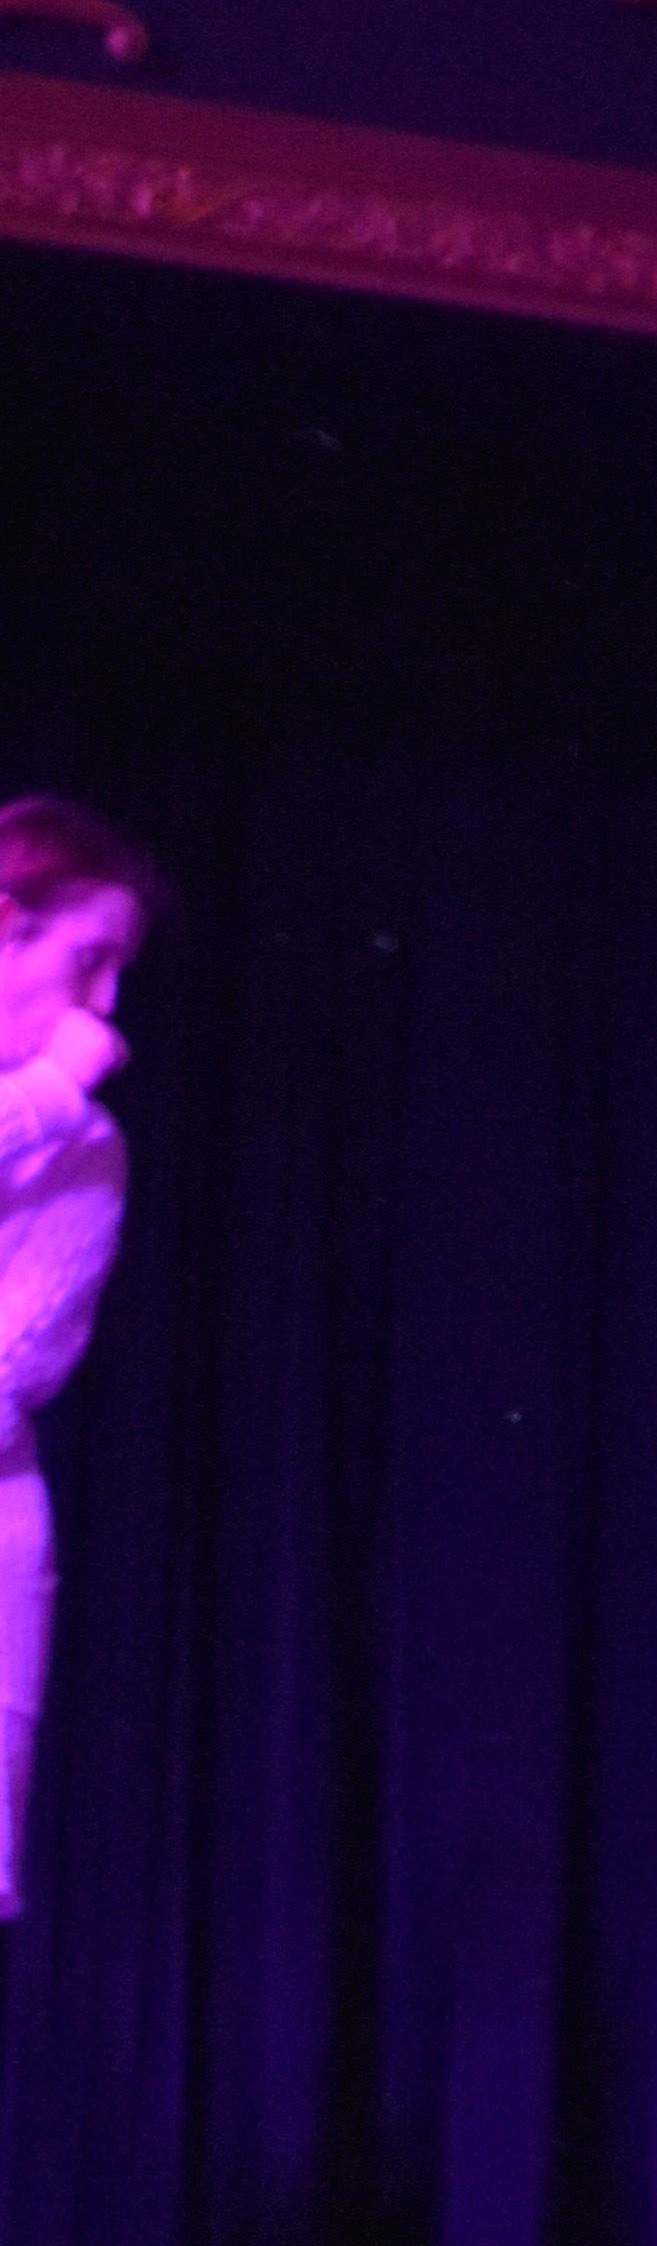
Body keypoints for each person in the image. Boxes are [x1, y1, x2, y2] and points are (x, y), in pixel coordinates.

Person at [0, 796, 163, 1921]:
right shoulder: (63, 1112)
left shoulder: (90, 1152)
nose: (104, 1008)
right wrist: (45, 1095)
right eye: (90, 959)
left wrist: (60, 1114)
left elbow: (13, 1372)